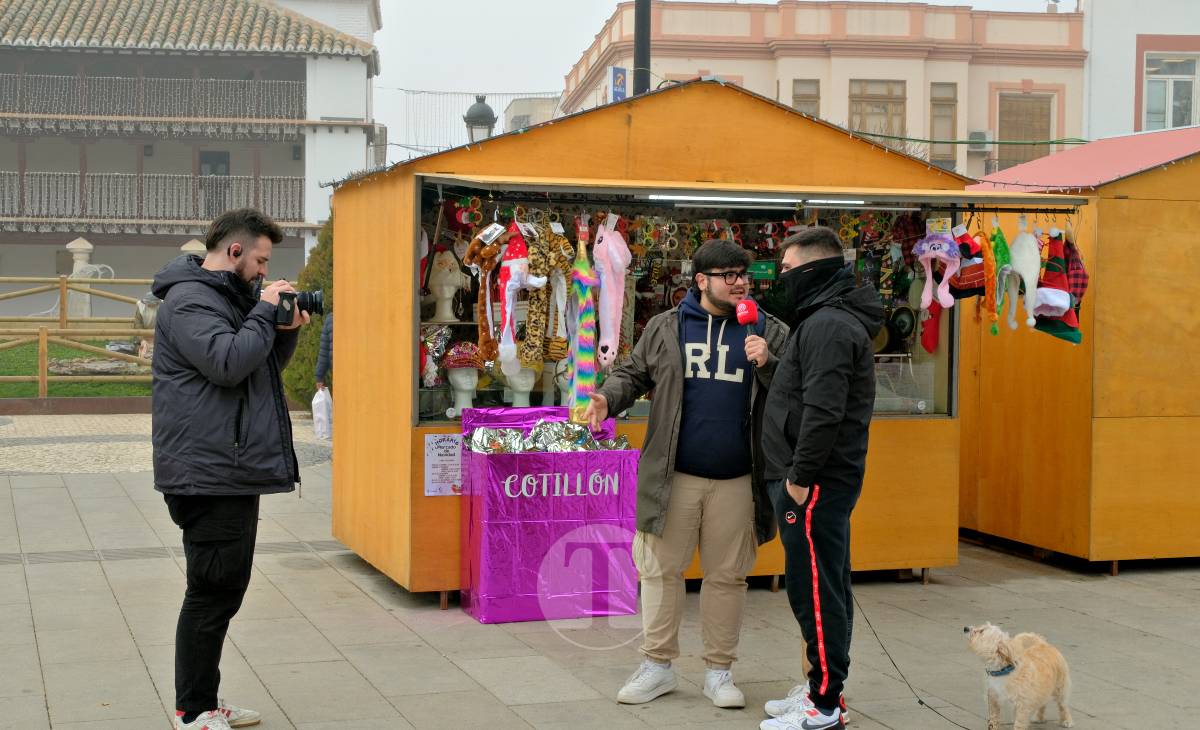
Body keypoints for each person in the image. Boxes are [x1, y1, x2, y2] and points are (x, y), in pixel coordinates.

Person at [586, 239, 789, 710]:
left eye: (744, 274)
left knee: (728, 576)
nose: (740, 282)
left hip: (740, 476)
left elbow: (793, 392)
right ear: (701, 281)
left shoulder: (768, 329)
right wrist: (605, 398)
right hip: (672, 475)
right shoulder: (666, 327)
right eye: (728, 275)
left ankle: (719, 672)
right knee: (659, 571)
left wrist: (770, 364)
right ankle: (657, 665)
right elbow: (633, 374)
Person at [151, 208, 309, 730]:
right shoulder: (190, 299)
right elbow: (225, 361)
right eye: (261, 260)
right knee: (212, 591)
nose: (265, 272)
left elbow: (254, 369)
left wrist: (283, 331)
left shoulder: (225, 297)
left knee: (224, 589)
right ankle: (192, 711)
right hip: (207, 470)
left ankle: (204, 701)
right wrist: (264, 311)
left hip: (229, 467)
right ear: (235, 251)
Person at [758, 227, 883, 730]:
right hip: (812, 480)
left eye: (786, 269)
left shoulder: (830, 325)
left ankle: (825, 705)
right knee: (820, 583)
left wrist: (799, 478)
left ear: (811, 269)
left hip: (813, 483)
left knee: (815, 590)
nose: (779, 277)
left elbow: (824, 411)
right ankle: (821, 689)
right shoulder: (822, 320)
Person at [315, 311, 333, 391]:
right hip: (341, 375)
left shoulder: (330, 318)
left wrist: (319, 377)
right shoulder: (331, 319)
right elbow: (324, 351)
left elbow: (324, 351)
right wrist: (319, 376)